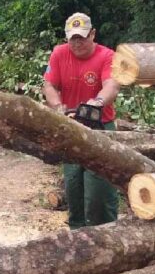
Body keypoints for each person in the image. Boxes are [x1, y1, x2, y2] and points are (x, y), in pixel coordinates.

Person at [43, 12, 121, 229]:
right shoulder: (59, 53)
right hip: (71, 127)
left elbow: (112, 85)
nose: (77, 43)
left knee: (99, 191)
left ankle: (107, 235)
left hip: (100, 128)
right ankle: (78, 236)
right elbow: (49, 85)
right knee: (73, 186)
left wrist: (96, 103)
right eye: (73, 38)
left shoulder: (107, 56)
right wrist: (58, 107)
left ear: (93, 34)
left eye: (82, 37)